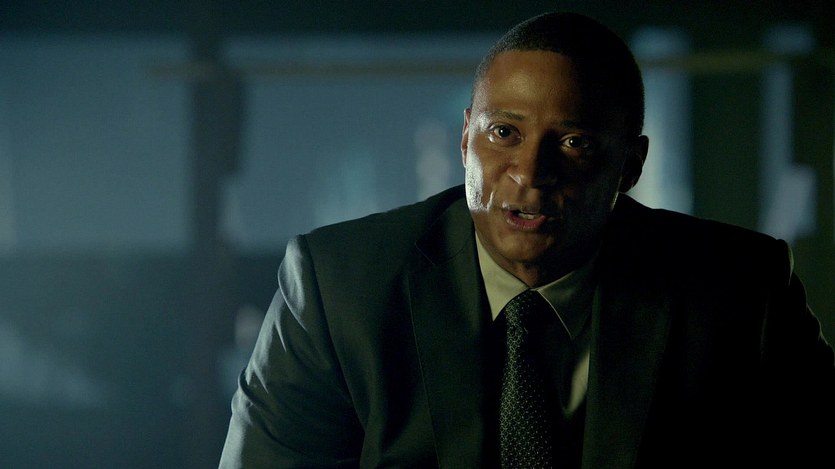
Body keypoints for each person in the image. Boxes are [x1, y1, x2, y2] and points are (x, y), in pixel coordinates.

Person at [219, 11, 835, 468]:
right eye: (504, 133)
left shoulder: (739, 292)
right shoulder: (339, 287)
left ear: (630, 166)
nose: (531, 174)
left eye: (574, 142)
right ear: (466, 137)